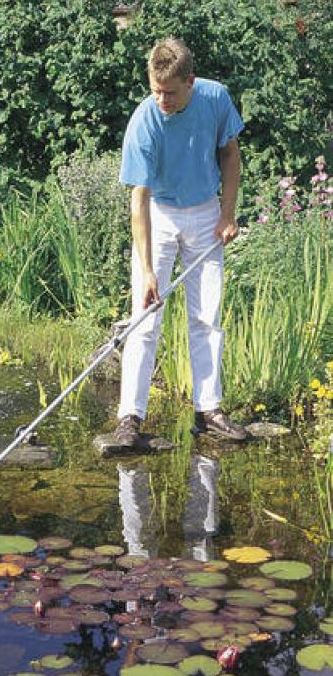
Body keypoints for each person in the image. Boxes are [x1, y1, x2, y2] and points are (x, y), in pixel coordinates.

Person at [113, 37, 246, 447]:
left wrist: (227, 213)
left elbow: (230, 155)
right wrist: (148, 271)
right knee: (144, 318)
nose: (161, 100)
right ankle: (130, 418)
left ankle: (209, 411)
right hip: (161, 214)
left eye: (169, 92)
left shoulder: (215, 98)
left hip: (205, 213)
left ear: (190, 81)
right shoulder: (144, 122)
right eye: (155, 90)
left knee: (207, 316)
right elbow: (139, 200)